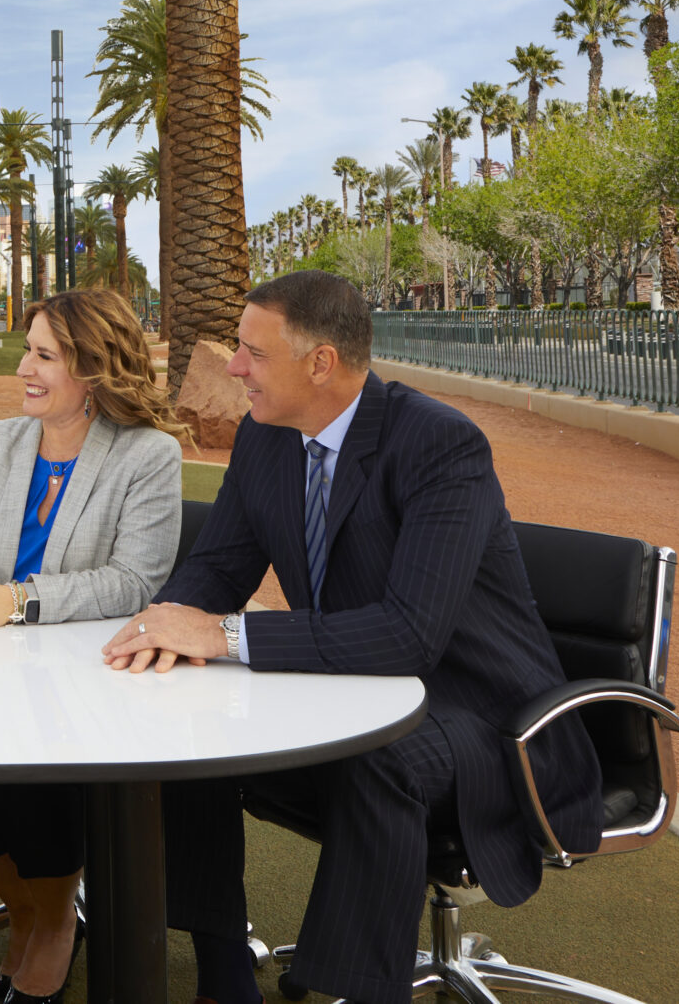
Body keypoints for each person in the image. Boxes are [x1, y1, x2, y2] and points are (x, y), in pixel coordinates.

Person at [101, 271, 602, 1004]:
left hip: (485, 719)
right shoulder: (267, 439)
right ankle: (224, 975)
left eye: (251, 352)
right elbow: (217, 567)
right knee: (190, 733)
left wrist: (226, 633)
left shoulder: (440, 445)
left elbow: (408, 635)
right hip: (348, 692)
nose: (232, 365)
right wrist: (153, 632)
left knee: (382, 756)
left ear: (320, 362)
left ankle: (359, 991)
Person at [0, 287, 186, 1004]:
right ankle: (28, 904)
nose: (24, 367)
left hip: (88, 680)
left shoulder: (146, 456)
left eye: (44, 355)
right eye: (27, 349)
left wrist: (18, 599)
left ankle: (55, 921)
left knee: (28, 765)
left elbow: (132, 580)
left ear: (93, 368)